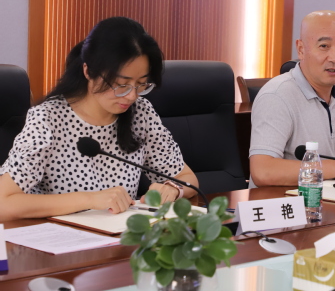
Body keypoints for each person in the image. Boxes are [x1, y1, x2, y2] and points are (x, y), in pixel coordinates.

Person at [0, 17, 198, 222]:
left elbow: (187, 178)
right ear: (88, 71)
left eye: (141, 84)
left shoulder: (140, 113)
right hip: (61, 237)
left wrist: (173, 189)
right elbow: (3, 203)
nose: (132, 96)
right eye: (121, 85)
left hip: (119, 236)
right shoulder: (47, 119)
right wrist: (90, 199)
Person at [249, 10, 335, 187]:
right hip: (290, 201)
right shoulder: (277, 95)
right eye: (324, 46)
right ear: (301, 49)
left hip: (333, 198)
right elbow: (263, 171)